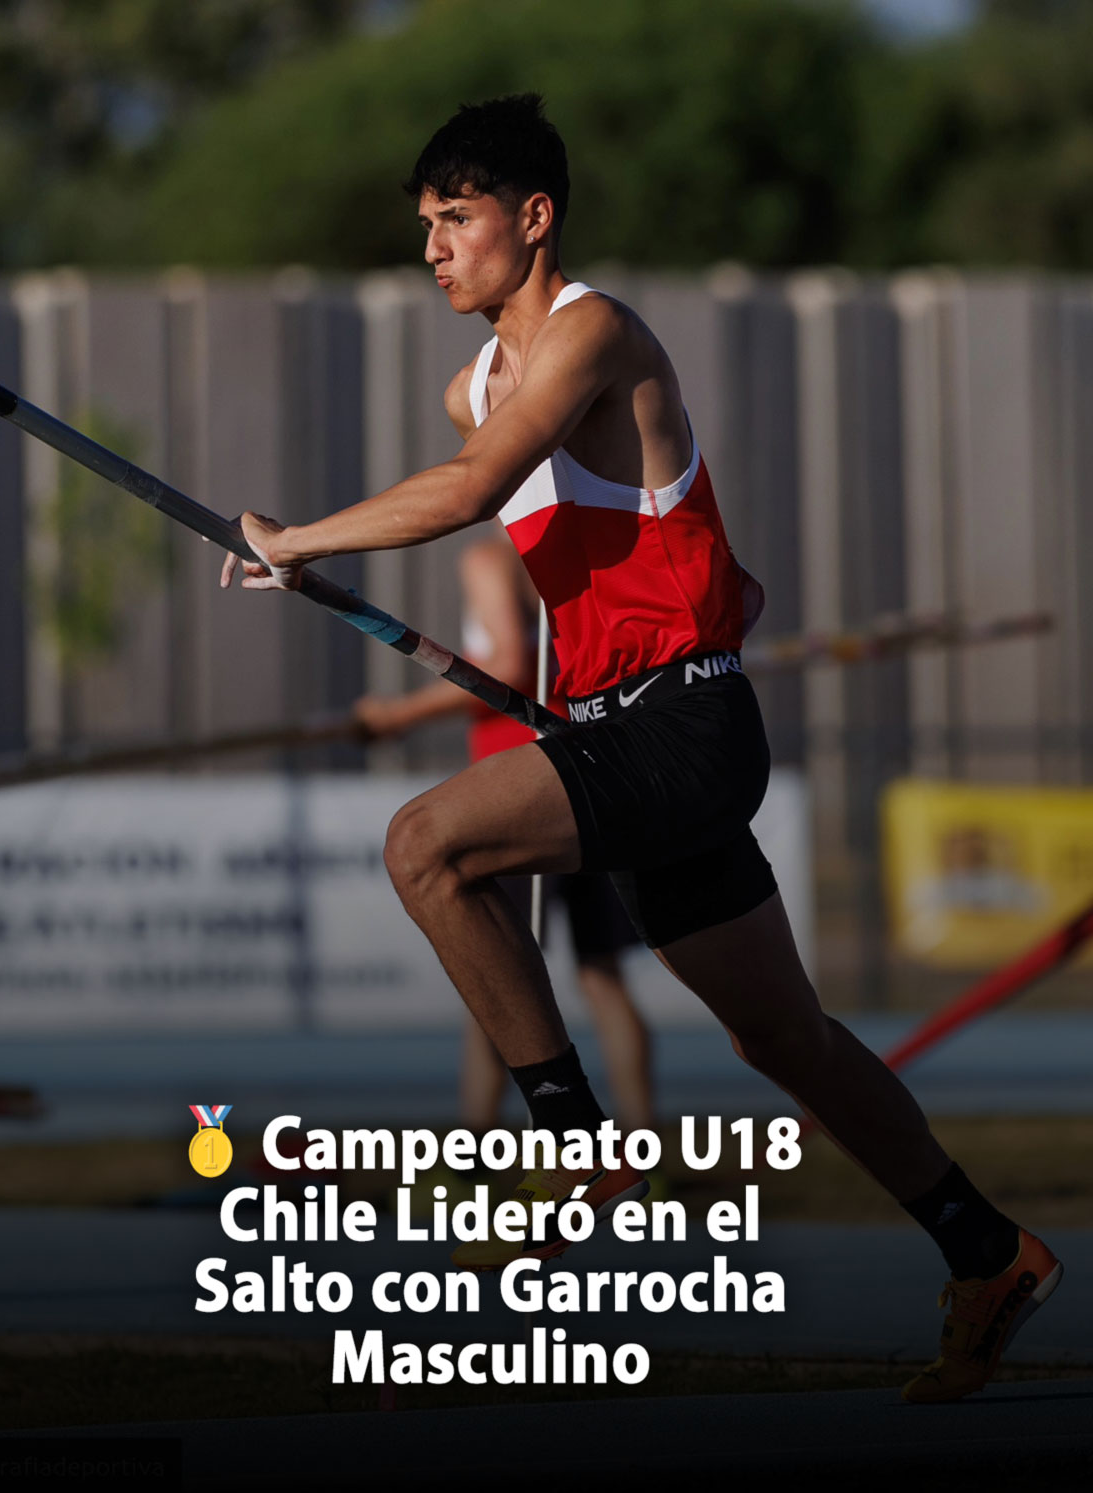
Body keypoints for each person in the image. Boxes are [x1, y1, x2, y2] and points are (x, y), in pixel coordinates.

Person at [220, 94, 1061, 1404]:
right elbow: (600, 561)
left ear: (533, 218)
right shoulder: (475, 386)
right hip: (627, 724)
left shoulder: (593, 331)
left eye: (457, 220)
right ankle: (986, 1248)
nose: (435, 250)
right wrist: (331, 580)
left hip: (684, 731)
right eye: (425, 229)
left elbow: (478, 492)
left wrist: (302, 537)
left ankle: (572, 1141)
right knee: (786, 1041)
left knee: (424, 846)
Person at [352, 531, 655, 1135]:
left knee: (499, 982)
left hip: (519, 794)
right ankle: (645, 1147)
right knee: (602, 978)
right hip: (594, 774)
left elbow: (509, 666)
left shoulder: (492, 558)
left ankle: (474, 1154)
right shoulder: (585, 551)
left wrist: (397, 716)